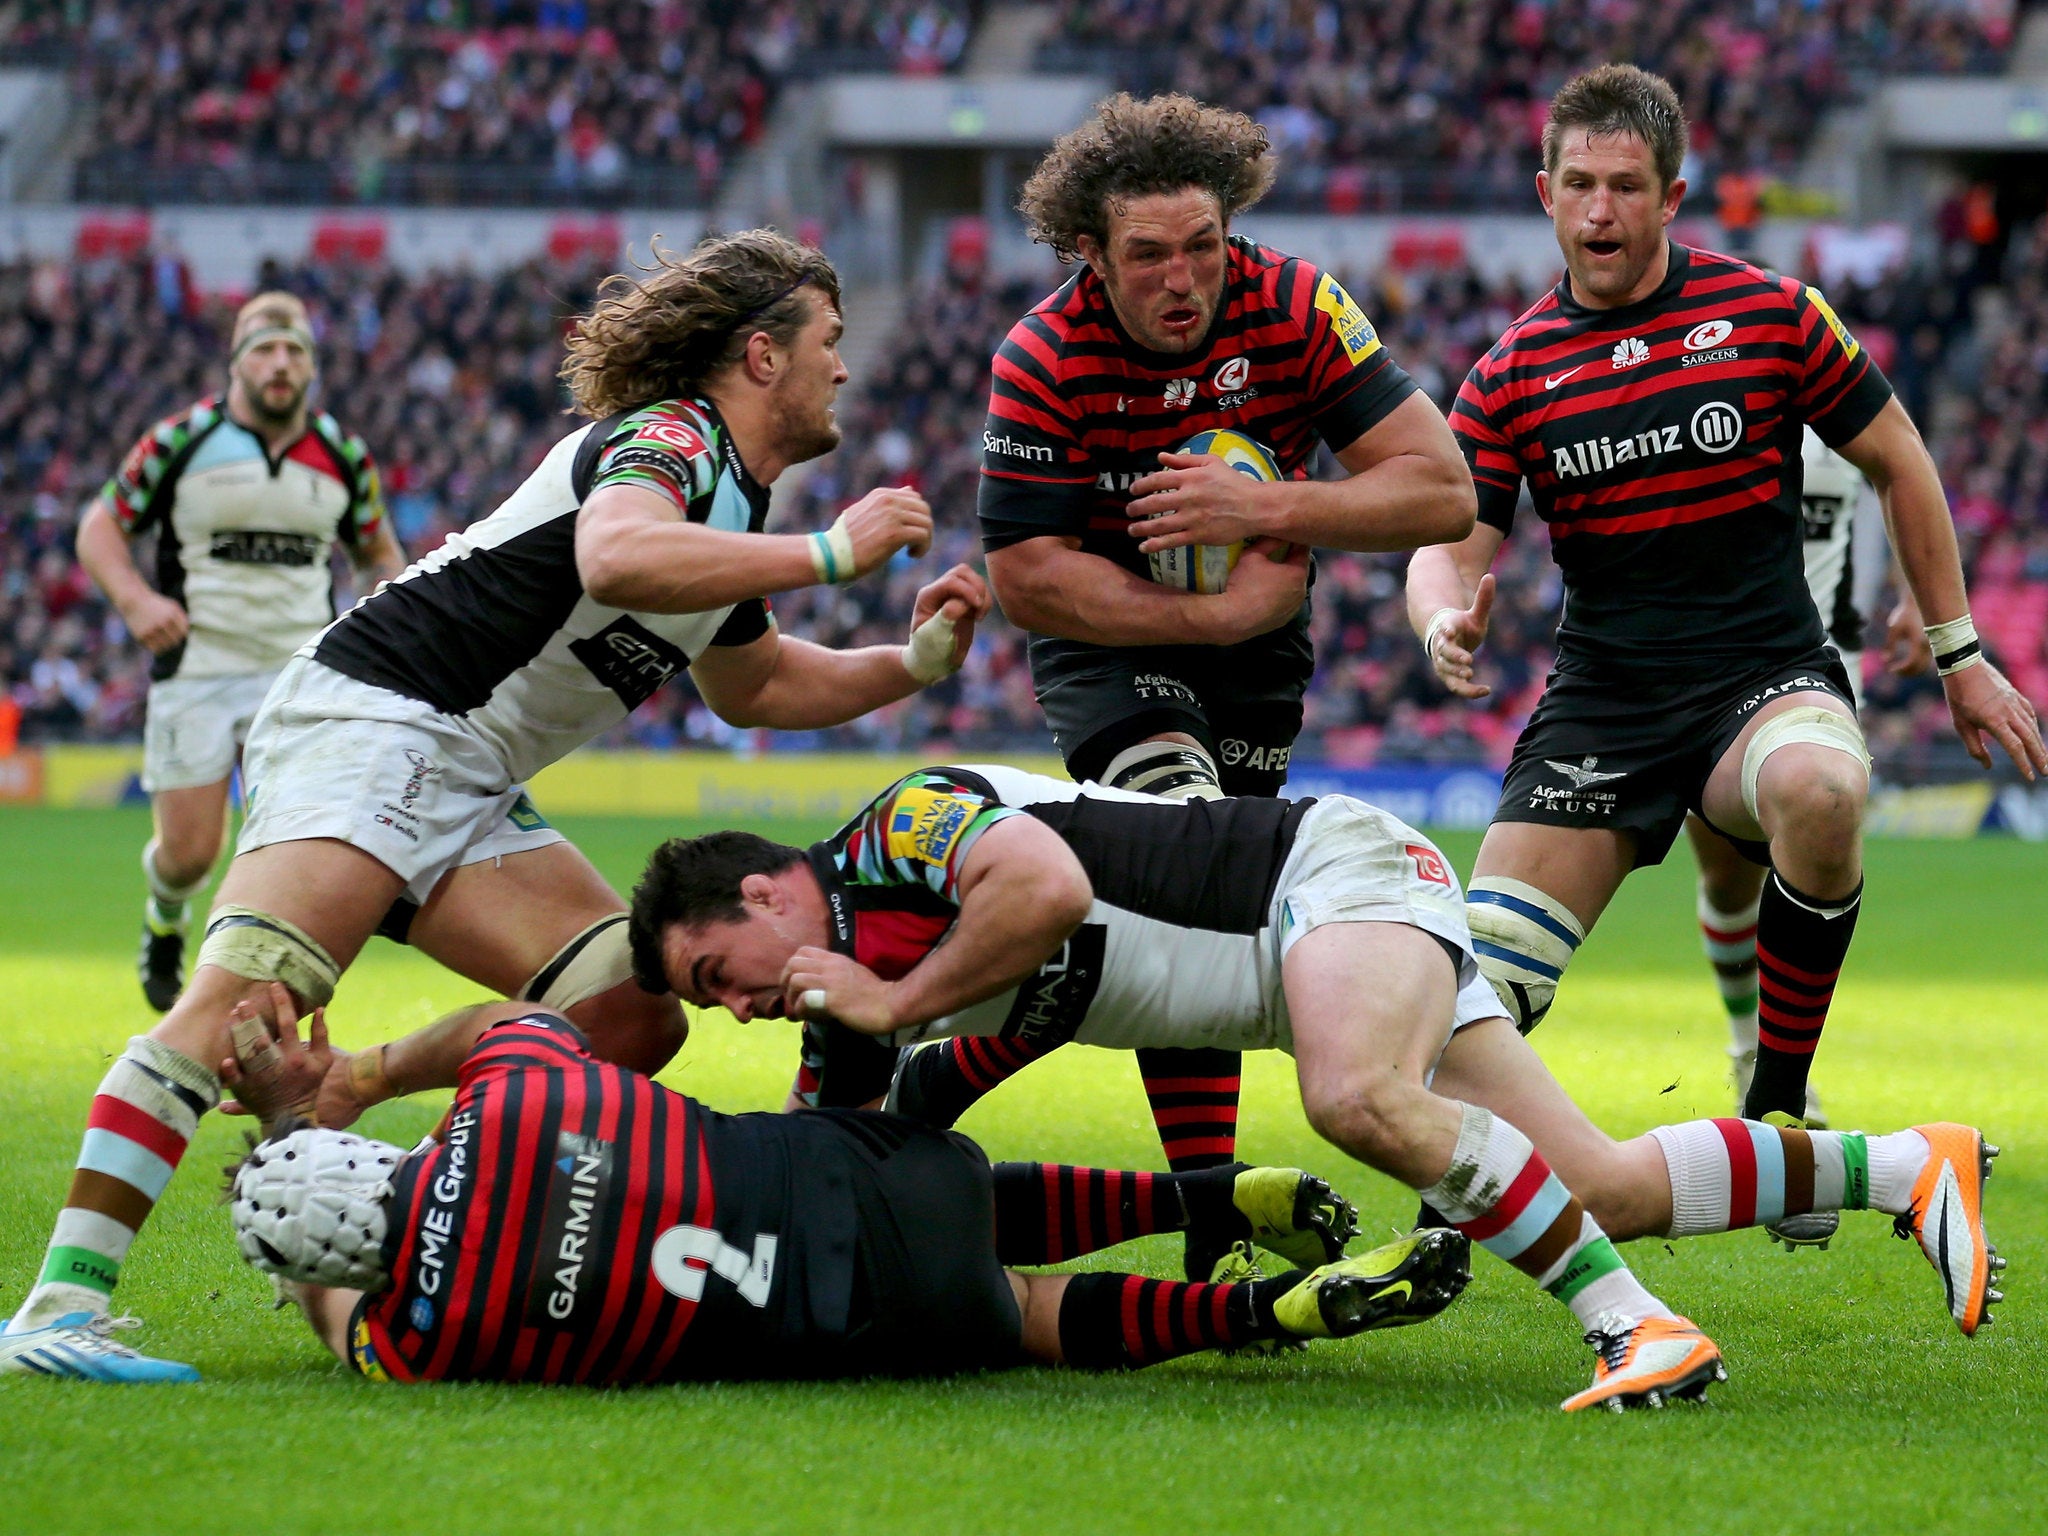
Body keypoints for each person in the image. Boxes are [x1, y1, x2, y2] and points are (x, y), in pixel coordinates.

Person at [5, 230, 992, 1377]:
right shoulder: (668, 439)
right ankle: (58, 1311)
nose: (843, 367)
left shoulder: (731, 513)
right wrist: (833, 551)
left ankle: (411, 1197)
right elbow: (617, 560)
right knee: (241, 1008)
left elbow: (756, 683)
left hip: (468, 774)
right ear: (760, 356)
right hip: (381, 717)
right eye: (829, 343)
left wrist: (909, 665)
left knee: (630, 1010)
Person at [624, 763, 2002, 1412]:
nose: (734, 1007)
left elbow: (1041, 883)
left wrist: (900, 1002)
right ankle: (1905, 1165)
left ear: (759, 892)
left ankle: (1637, 1334)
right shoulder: (843, 1029)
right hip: (1318, 958)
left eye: (714, 973)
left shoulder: (891, 832)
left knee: (1359, 1101)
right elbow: (844, 1189)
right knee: (1601, 1186)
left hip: (1322, 876)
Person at [1405, 66, 2043, 1249]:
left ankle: (1774, 1106)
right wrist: (1438, 616)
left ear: (1671, 197)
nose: (1599, 210)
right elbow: (1444, 542)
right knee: (1458, 1002)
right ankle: (1457, 1184)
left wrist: (1959, 652)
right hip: (1601, 705)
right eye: (1579, 186)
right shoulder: (1508, 370)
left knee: (1822, 787)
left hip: (1760, 672)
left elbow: (1900, 457)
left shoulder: (1771, 314)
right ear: (1544, 194)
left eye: (1625, 187)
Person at [971, 92, 1477, 1274]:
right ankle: (1214, 1213)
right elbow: (1029, 578)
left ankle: (965, 1072)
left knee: (1216, 912)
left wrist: (1266, 508)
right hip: (1110, 648)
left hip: (1260, 654)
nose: (1181, 277)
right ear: (1087, 252)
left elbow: (1440, 490)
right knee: (1193, 858)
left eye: (1202, 244)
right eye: (1147, 254)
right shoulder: (1041, 354)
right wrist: (1202, 611)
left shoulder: (1295, 304)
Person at [0, 988, 1467, 1385]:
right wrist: (343, 1084)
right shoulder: (523, 1098)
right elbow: (498, 1028)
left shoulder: (417, 1343)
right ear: (373, 1159)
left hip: (834, 1317)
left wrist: (273, 1171)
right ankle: (1209, 1194)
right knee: (978, 1193)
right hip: (857, 1166)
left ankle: (1271, 1315)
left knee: (1020, 1310)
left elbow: (338, 1316)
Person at [74, 291, 408, 1011]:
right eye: (265, 348)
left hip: (299, 680)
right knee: (189, 855)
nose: (280, 363)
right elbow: (99, 527)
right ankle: (166, 913)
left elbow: (379, 550)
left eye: (295, 350)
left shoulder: (343, 453)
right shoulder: (180, 440)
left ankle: (253, 999)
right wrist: (137, 602)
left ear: (313, 366)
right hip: (196, 668)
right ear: (236, 362)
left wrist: (373, 621)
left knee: (288, 855)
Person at [1684, 429, 1932, 1153]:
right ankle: (1746, 1047)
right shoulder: (1714, 386)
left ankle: (1779, 1078)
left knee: (1816, 824)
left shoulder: (1841, 390)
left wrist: (1919, 598)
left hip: (1820, 661)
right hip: (1713, 670)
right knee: (1728, 878)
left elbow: (1901, 470)